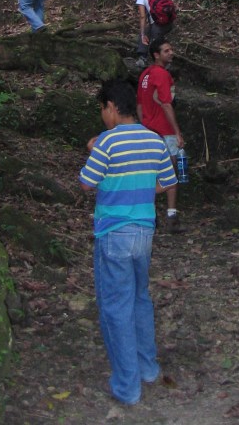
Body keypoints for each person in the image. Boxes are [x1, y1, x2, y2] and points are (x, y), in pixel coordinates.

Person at [79, 80, 178, 406]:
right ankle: (148, 369)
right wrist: (137, 188)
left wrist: (93, 150)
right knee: (139, 298)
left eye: (102, 110)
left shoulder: (106, 142)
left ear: (110, 107)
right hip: (144, 233)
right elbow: (167, 182)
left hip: (114, 234)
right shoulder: (153, 139)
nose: (102, 116)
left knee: (116, 306)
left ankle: (127, 386)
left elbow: (86, 183)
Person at [137, 38, 185, 233]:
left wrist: (143, 127)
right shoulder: (161, 74)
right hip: (164, 131)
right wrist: (177, 132)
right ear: (156, 55)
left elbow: (140, 105)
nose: (171, 53)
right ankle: (171, 216)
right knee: (170, 174)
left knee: (149, 174)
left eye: (171, 49)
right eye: (166, 50)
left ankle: (151, 213)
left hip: (148, 130)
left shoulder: (145, 75)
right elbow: (166, 103)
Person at [134, 0, 172, 67]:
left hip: (157, 25)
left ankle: (164, 65)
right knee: (148, 32)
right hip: (169, 23)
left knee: (155, 43)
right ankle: (143, 57)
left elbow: (143, 16)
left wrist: (142, 33)